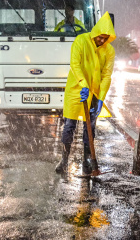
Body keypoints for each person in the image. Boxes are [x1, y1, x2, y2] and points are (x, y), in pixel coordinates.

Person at [55, 12, 116, 174]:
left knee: (90, 128)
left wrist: (101, 98)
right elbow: (75, 64)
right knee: (69, 126)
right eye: (100, 37)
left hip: (95, 93)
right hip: (76, 91)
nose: (102, 40)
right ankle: (64, 160)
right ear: (95, 32)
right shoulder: (80, 41)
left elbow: (106, 75)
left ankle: (87, 161)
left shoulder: (109, 50)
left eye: (105, 38)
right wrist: (83, 84)